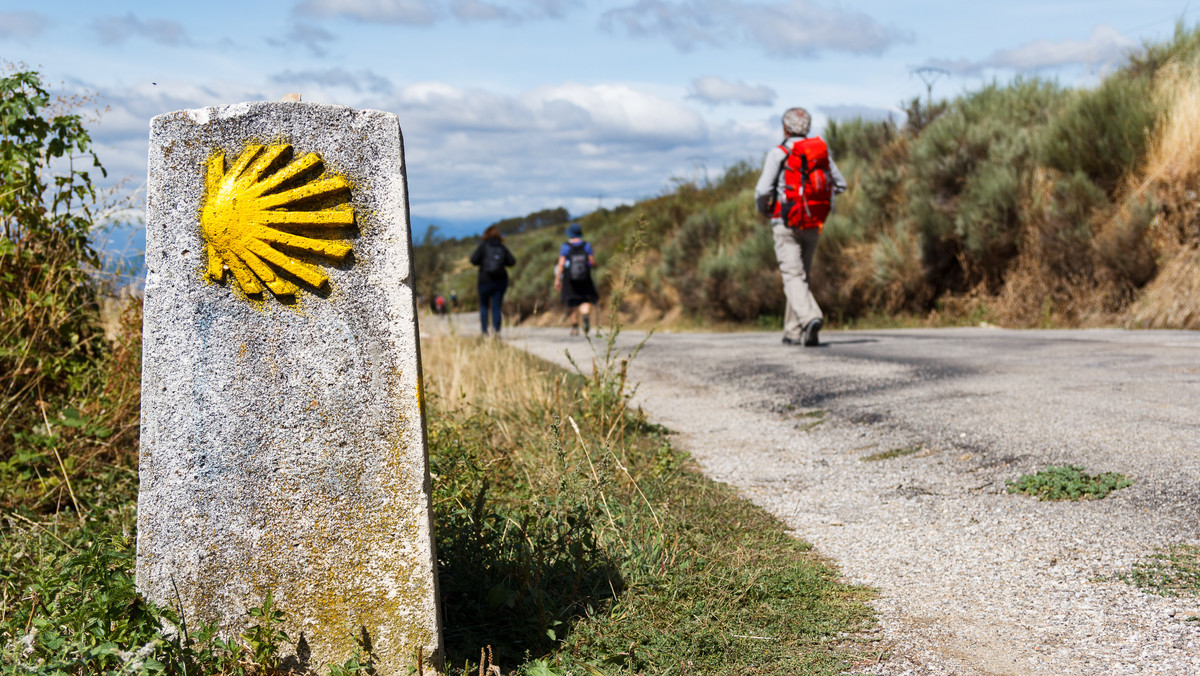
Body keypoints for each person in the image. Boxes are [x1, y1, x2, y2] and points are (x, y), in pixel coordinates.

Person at [754, 106, 847, 347]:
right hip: (814, 221)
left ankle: (810, 318)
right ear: (807, 127)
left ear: (785, 127)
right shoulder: (819, 152)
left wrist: (764, 208)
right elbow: (841, 184)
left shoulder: (779, 153)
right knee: (801, 276)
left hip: (785, 221)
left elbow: (763, 190)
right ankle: (792, 331)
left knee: (792, 275)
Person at [469, 225, 516, 335]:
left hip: (484, 280)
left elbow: (473, 260)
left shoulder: (483, 246)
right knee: (496, 306)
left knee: (484, 306)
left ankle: (484, 331)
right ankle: (496, 331)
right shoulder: (501, 247)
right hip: (500, 281)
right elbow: (512, 261)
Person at [554, 222, 599, 336]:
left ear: (570, 234)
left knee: (572, 301)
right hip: (585, 277)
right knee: (585, 299)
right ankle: (585, 316)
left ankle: (575, 327)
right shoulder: (586, 245)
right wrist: (594, 265)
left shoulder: (566, 246)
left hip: (570, 278)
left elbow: (561, 264)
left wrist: (557, 279)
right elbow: (592, 261)